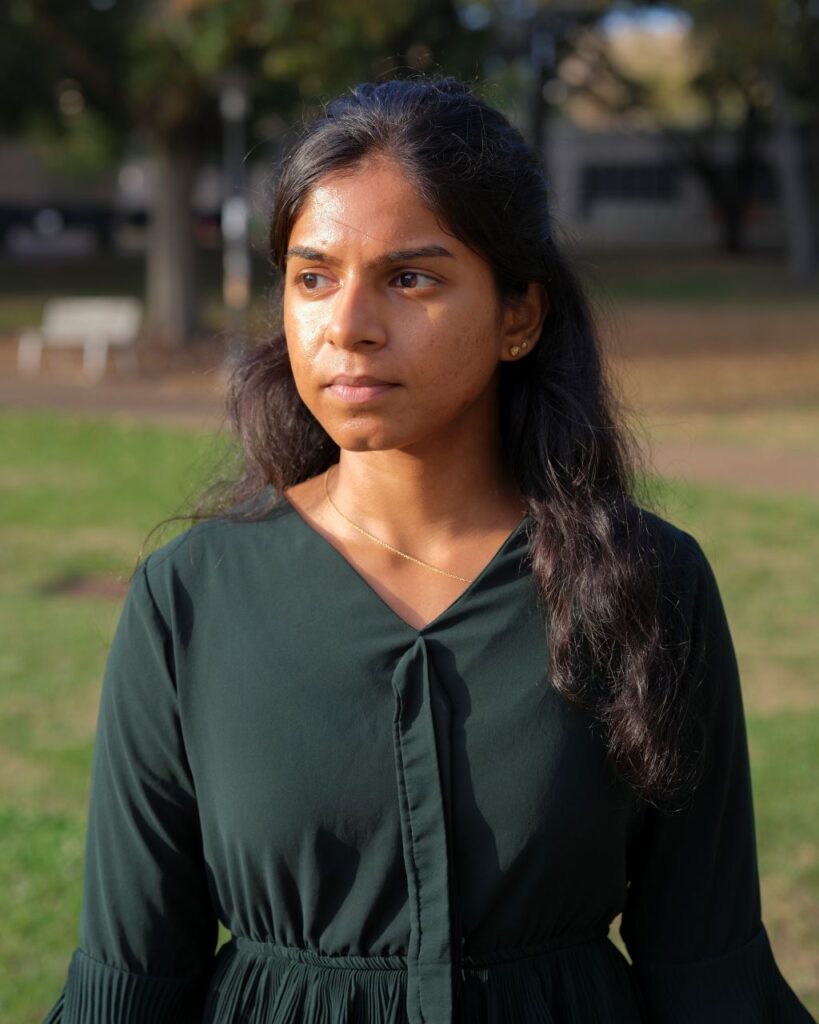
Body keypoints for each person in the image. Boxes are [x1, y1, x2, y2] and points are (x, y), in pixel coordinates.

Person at [44, 77, 815, 1024]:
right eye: (313, 275)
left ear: (518, 317)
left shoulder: (648, 583)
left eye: (411, 277)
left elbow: (707, 965)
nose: (349, 326)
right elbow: (129, 981)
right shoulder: (189, 599)